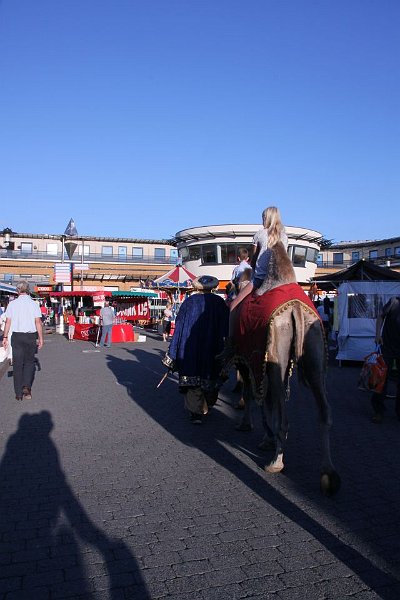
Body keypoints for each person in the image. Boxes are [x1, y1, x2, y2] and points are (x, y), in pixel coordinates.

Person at [162, 275, 229, 424]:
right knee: (210, 375)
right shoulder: (219, 303)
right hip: (212, 345)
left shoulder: (189, 302)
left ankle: (195, 412)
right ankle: (206, 406)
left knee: (192, 376)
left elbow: (179, 324)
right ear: (213, 287)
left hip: (190, 345)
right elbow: (226, 326)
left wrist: (175, 348)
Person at [230, 206, 288, 311]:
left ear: (266, 218)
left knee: (233, 305)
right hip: (281, 279)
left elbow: (253, 259)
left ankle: (231, 328)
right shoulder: (284, 236)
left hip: (259, 279)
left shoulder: (260, 234)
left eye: (263, 217)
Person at [2, 281, 43, 401]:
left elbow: (8, 322)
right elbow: (38, 322)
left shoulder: (12, 304)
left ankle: (18, 394)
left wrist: (5, 338)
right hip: (30, 336)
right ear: (28, 290)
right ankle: (27, 387)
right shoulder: (34, 304)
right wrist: (40, 338)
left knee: (18, 364)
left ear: (18, 291)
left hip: (17, 337)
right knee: (29, 362)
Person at [371, 296, 400, 424]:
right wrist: (378, 334)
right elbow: (380, 316)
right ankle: (378, 411)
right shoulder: (394, 302)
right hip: (387, 347)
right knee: (381, 380)